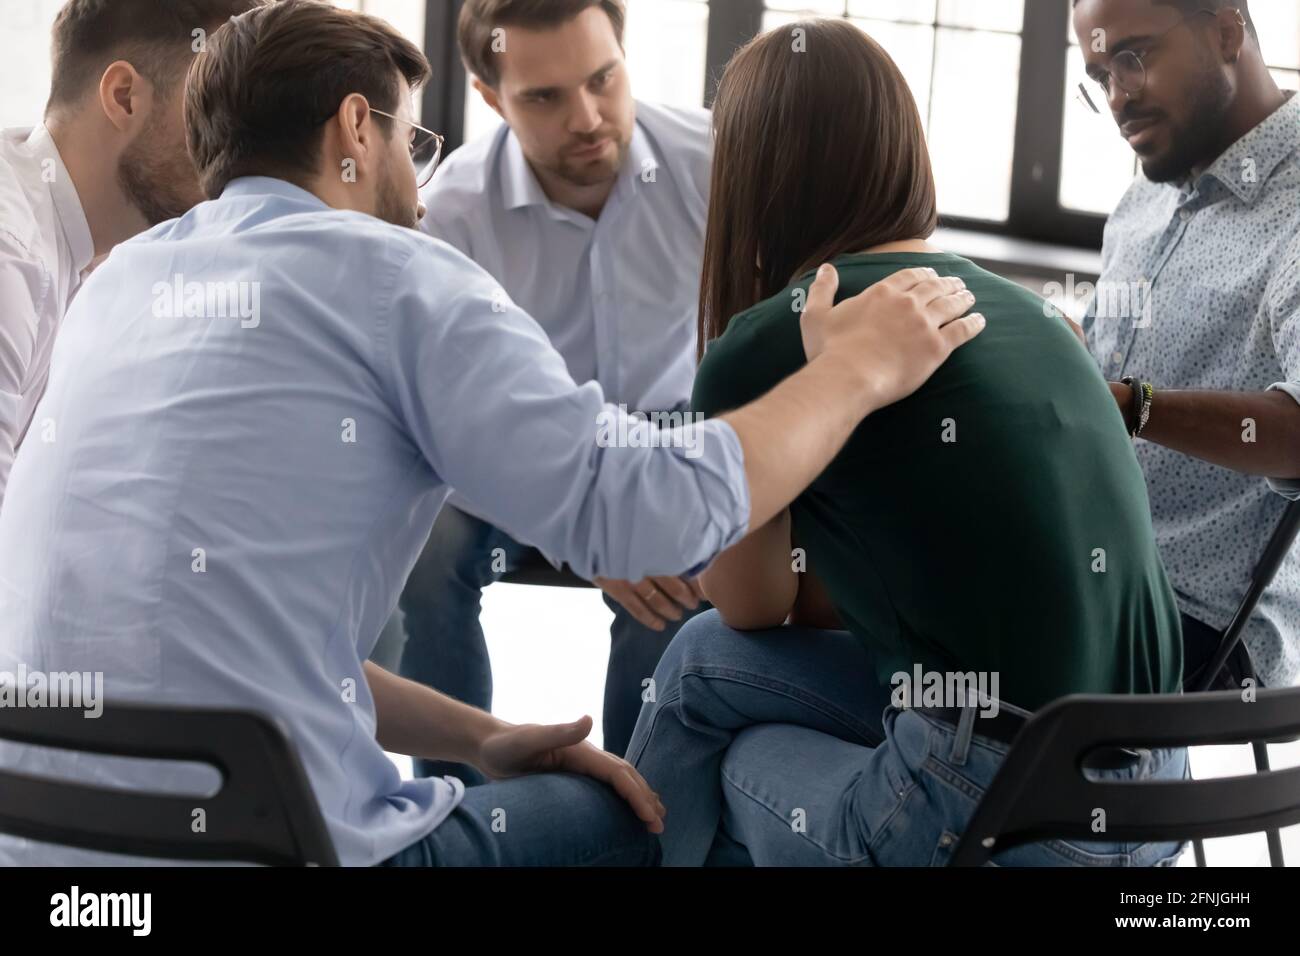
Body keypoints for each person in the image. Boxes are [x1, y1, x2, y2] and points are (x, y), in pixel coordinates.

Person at [0, 0, 982, 867]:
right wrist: (856, 370)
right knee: (639, 815)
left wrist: (481, 736)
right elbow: (654, 511)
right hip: (279, 841)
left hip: (47, 842)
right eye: (411, 142)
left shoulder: (113, 286)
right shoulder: (398, 274)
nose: (417, 186)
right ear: (355, 124)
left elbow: (239, 644)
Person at [626, 18, 1187, 867]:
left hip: (999, 820)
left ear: (749, 175)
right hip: (1160, 800)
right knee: (700, 660)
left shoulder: (770, 336)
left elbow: (747, 604)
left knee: (731, 751)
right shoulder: (1032, 312)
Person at [392, 0, 713, 780]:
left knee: (673, 581)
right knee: (421, 556)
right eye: (545, 97)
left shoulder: (714, 162)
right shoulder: (452, 213)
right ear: (491, 96)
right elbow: (444, 419)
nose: (589, 117)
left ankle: (643, 815)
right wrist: (578, 518)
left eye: (603, 78)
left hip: (659, 435)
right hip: (509, 442)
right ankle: (458, 814)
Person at [1071, 0, 1300, 690]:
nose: (1117, 97)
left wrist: (1133, 406)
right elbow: (1103, 370)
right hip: (1079, 576)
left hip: (1194, 623)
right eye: (1099, 73)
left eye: (1135, 57)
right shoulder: (1145, 198)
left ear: (1228, 31)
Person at [0, 0, 261, 511]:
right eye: (214, 110)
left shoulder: (83, 254)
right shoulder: (13, 253)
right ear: (123, 97)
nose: (235, 153)